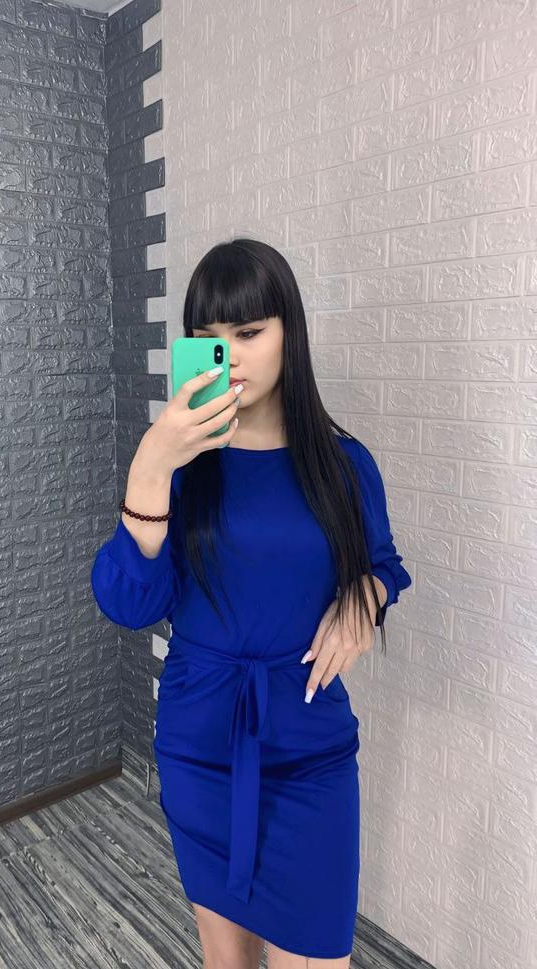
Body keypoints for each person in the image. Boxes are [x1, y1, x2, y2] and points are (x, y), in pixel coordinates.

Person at [91, 238, 412, 969]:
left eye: (248, 331)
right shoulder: (182, 468)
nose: (229, 355)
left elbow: (385, 565)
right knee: (227, 960)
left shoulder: (344, 464)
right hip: (200, 743)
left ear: (289, 332)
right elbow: (131, 603)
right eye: (208, 337)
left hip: (310, 748)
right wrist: (150, 466)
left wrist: (364, 596)